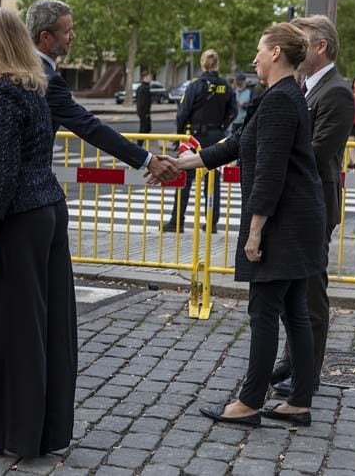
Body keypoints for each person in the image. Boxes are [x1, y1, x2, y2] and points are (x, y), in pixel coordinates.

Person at [0, 0, 178, 370]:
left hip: (23, 208)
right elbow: (7, 160)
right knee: (17, 298)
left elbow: (9, 164)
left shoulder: (18, 85)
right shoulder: (27, 82)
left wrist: (147, 159)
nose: (73, 37)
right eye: (67, 30)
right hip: (30, 206)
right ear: (44, 37)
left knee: (18, 304)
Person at [157, 22, 326, 427]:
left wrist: (254, 231)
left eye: (258, 50)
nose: (253, 58)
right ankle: (299, 401)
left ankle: (250, 402)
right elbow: (235, 146)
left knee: (265, 310)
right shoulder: (281, 97)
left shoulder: (282, 101)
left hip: (282, 223)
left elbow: (269, 172)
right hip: (297, 220)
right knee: (292, 310)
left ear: (275, 54)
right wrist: (181, 163)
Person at [0, 7, 74, 457]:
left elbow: (4, 173)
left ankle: (14, 436)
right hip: (47, 208)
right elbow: (10, 161)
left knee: (15, 332)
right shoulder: (33, 88)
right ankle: (45, 432)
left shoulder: (3, 95)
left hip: (19, 220)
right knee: (49, 328)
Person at [270, 15, 355, 397]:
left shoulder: (336, 92)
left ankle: (308, 374)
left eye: (302, 40)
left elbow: (316, 155)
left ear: (320, 47)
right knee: (294, 290)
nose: (296, 45)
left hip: (315, 205)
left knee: (310, 294)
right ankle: (293, 361)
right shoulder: (306, 88)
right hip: (300, 204)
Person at [162, 49, 236, 234]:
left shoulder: (196, 85)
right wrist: (221, 126)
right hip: (216, 136)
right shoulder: (226, 86)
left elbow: (182, 113)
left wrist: (180, 136)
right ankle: (211, 223)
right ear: (217, 64)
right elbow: (233, 111)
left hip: (194, 138)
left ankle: (176, 221)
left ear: (203, 64)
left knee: (185, 179)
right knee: (213, 182)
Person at [136, 71, 152, 146]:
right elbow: (144, 102)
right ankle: (139, 145)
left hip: (142, 112)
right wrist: (146, 113)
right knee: (144, 129)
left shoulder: (140, 88)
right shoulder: (145, 88)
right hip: (144, 113)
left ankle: (141, 145)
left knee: (146, 128)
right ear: (144, 78)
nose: (150, 79)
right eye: (148, 77)